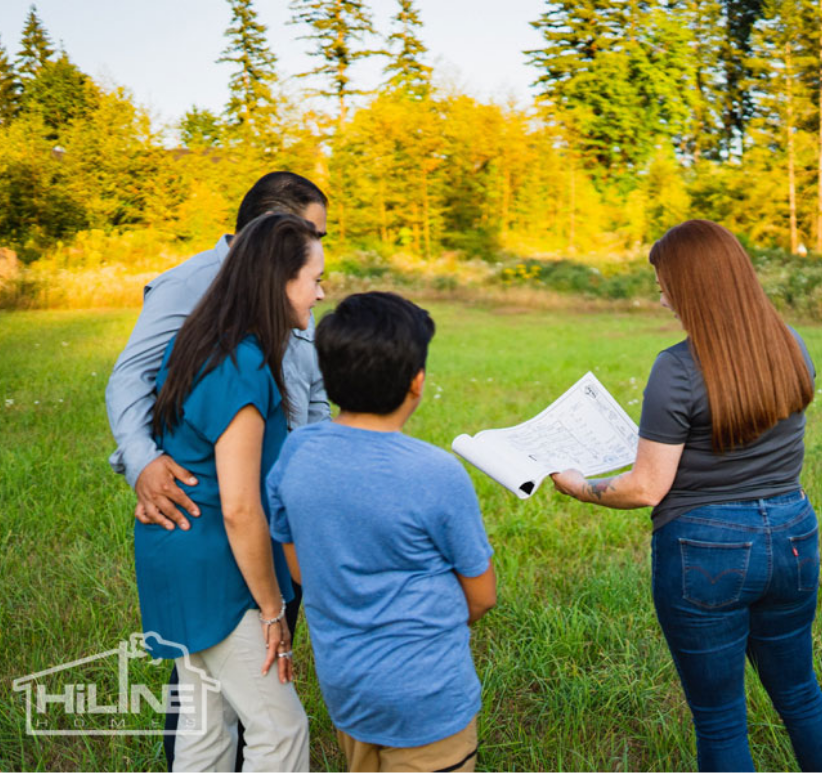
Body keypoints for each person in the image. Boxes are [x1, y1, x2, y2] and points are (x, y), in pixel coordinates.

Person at [551, 220, 822, 772]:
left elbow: (647, 486)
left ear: (694, 287)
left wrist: (579, 485)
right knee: (802, 695)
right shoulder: (791, 344)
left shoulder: (676, 367)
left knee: (720, 720)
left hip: (707, 548)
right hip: (794, 533)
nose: (663, 296)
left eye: (665, 284)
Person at [105, 171, 329, 767]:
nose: (321, 295)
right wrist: (273, 609)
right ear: (277, 281)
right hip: (221, 570)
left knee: (204, 728)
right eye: (314, 280)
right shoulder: (243, 366)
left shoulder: (206, 342)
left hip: (174, 559)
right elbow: (238, 505)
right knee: (281, 730)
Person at [267, 291, 497, 773]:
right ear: (416, 383)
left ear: (328, 378)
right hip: (429, 699)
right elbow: (481, 596)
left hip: (348, 691)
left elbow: (297, 565)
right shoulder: (437, 472)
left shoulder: (297, 451)